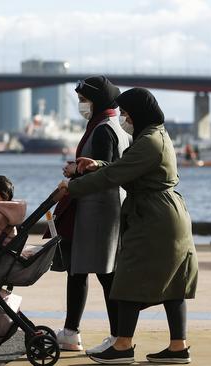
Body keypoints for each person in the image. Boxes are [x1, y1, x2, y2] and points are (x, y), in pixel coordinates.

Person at [54, 87, 198, 365]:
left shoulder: (148, 141)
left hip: (153, 216)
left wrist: (73, 187)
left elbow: (117, 174)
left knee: (128, 278)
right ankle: (178, 347)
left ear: (140, 113)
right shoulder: (156, 135)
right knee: (173, 282)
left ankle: (122, 346)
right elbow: (125, 167)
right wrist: (97, 164)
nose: (124, 118)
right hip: (165, 214)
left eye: (128, 113)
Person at [48, 75, 130, 352]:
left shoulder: (103, 129)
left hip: (98, 211)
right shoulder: (114, 127)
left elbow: (105, 171)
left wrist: (75, 173)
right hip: (99, 209)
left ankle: (118, 336)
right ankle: (72, 332)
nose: (82, 105)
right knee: (80, 270)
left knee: (104, 274)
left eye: (84, 100)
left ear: (98, 101)